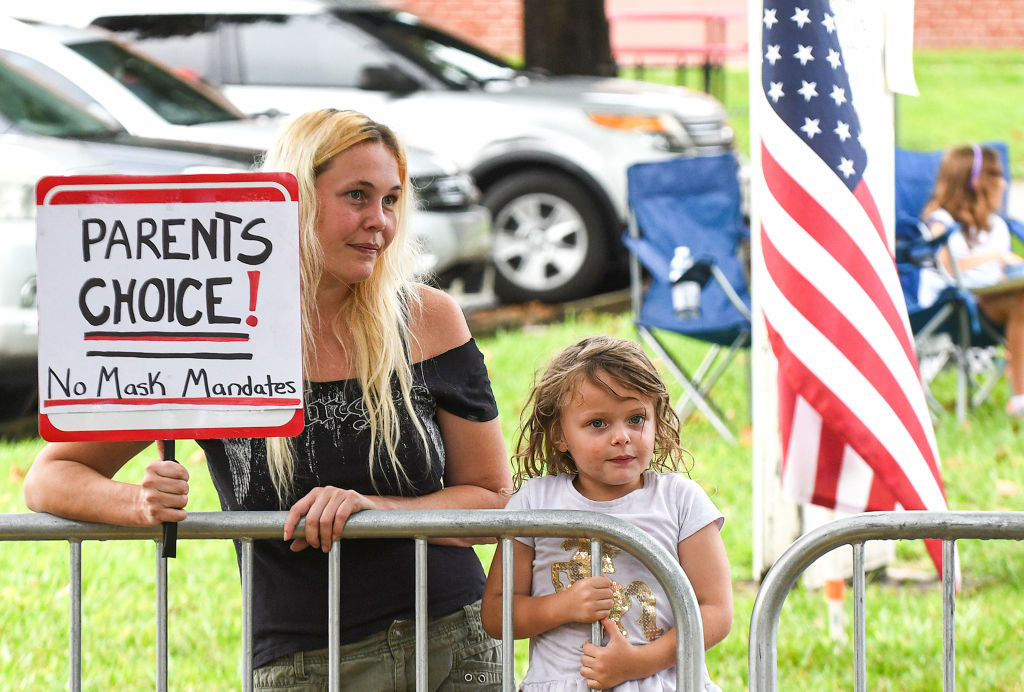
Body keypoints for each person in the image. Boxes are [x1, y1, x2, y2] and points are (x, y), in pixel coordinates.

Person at [24, 108, 513, 690]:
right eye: (356, 196)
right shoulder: (209, 329)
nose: (378, 221)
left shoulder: (429, 319)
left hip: (452, 646)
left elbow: (493, 501)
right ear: (294, 198)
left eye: (391, 200)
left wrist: (373, 512)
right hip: (300, 662)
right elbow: (51, 478)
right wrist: (139, 504)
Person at [479, 335, 732, 691]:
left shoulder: (681, 500)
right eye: (598, 423)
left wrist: (638, 663)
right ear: (559, 434)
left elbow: (716, 612)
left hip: (661, 681)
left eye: (636, 418)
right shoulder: (535, 503)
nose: (622, 437)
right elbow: (495, 614)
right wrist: (563, 606)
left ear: (657, 419)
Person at [922, 144, 1024, 417]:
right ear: (976, 181)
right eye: (997, 176)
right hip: (953, 309)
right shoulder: (941, 222)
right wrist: (996, 255)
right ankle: (1020, 399)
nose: (1004, 183)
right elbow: (947, 266)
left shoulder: (997, 226)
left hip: (992, 305)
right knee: (1021, 304)